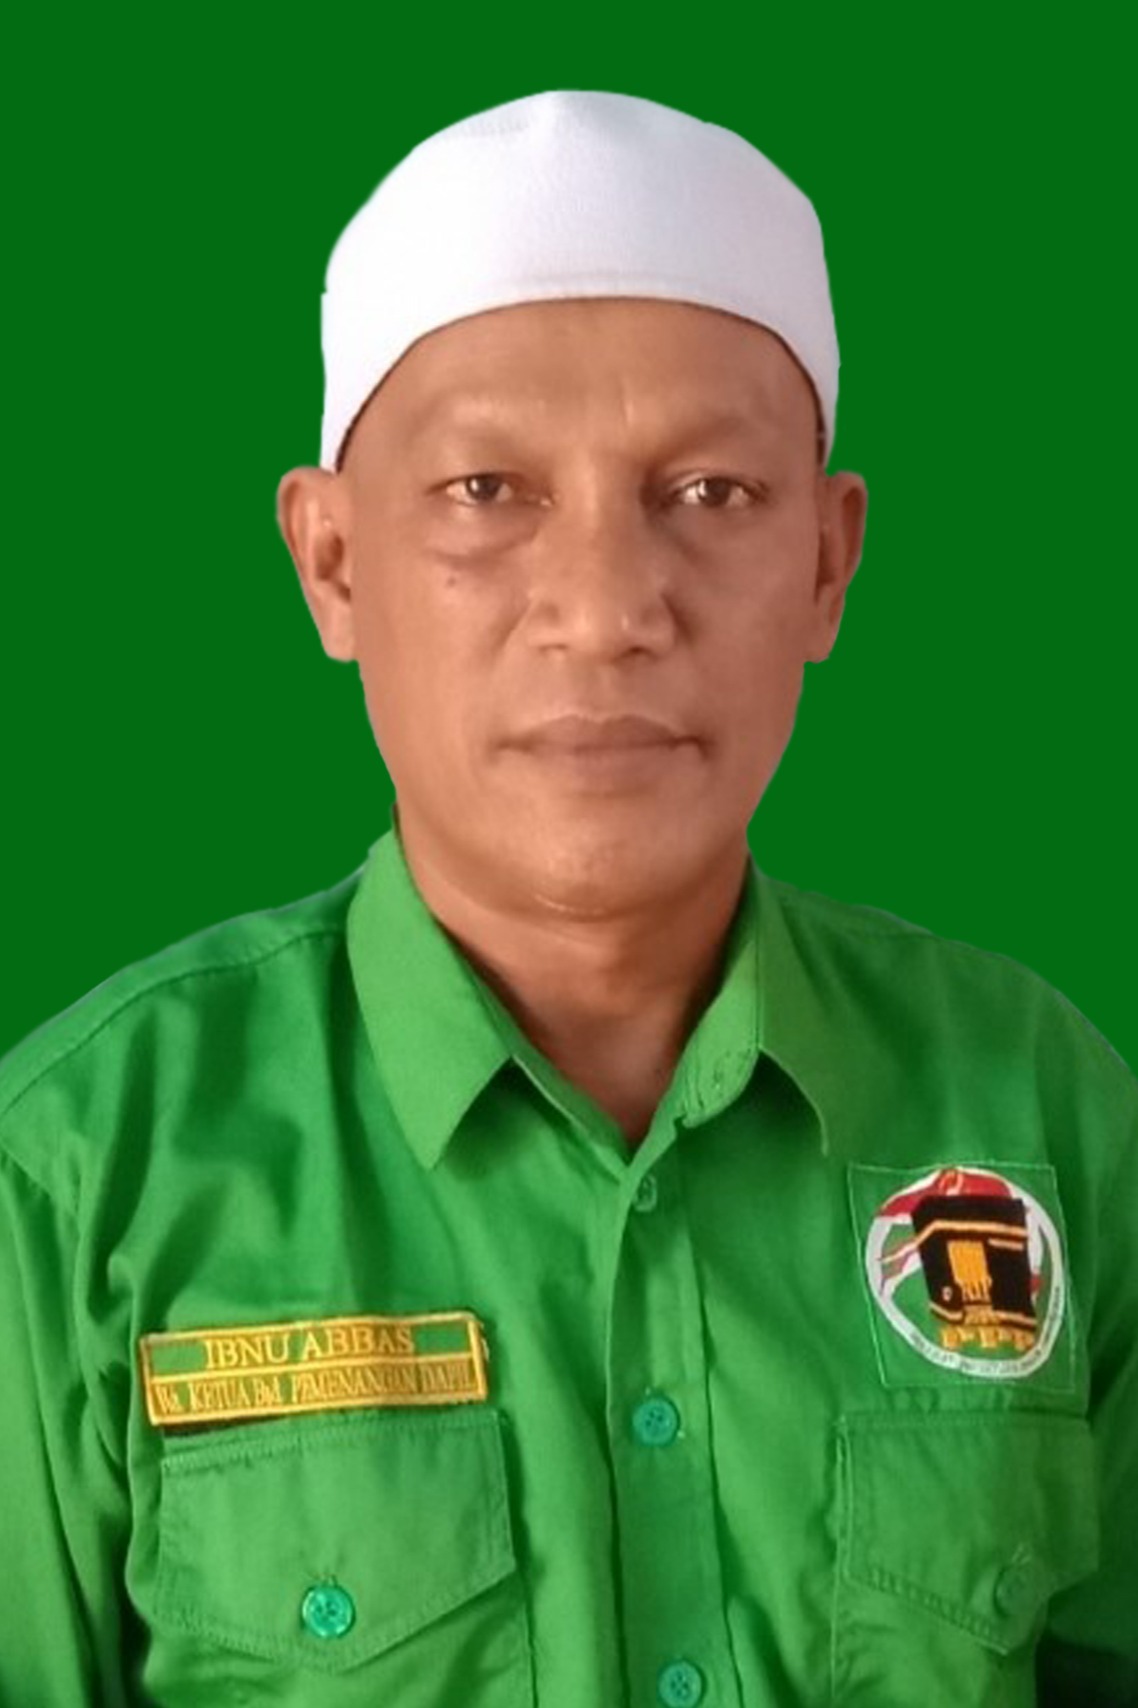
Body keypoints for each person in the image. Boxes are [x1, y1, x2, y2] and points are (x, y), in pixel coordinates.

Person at [0, 87, 1133, 1708]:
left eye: (709, 494)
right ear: (331, 563)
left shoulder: (1038, 1110)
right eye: (486, 491)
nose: (603, 609)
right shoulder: (71, 1180)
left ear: (827, 563)